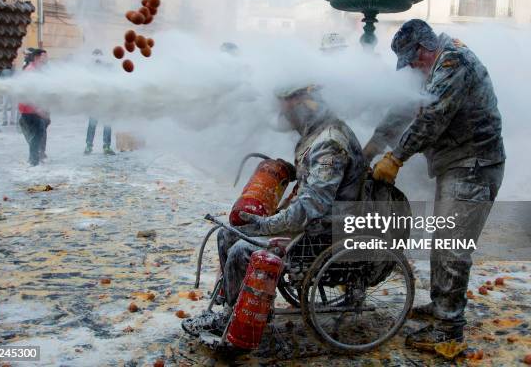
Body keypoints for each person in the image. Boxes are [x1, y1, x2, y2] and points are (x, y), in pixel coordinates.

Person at [182, 85, 367, 336]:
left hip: (324, 230)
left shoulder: (330, 142)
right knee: (227, 234)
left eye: (288, 112)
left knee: (242, 248)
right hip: (313, 222)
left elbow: (313, 205)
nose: (286, 120)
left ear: (304, 105)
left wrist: (266, 225)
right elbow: (312, 185)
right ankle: (234, 305)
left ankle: (231, 319)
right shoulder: (317, 133)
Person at [370, 19, 506, 348]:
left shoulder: (453, 62)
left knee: (452, 248)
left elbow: (432, 117)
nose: (413, 70)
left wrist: (396, 157)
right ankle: (441, 306)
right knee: (442, 242)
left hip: (474, 166)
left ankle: (448, 334)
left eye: (413, 61)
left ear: (423, 49)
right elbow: (405, 107)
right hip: (458, 165)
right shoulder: (433, 66)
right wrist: (374, 143)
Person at [18, 48, 51, 166]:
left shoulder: (39, 70)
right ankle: (34, 160)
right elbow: (28, 93)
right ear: (37, 58)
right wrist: (38, 109)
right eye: (44, 57)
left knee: (38, 134)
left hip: (35, 110)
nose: (47, 59)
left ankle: (36, 157)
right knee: (37, 135)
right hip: (30, 110)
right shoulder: (31, 71)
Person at [84, 49, 115, 155]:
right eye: (95, 56)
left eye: (99, 56)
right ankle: (89, 146)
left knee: (107, 124)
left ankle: (106, 146)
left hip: (106, 100)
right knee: (92, 124)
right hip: (94, 102)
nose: (97, 58)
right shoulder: (88, 69)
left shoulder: (108, 67)